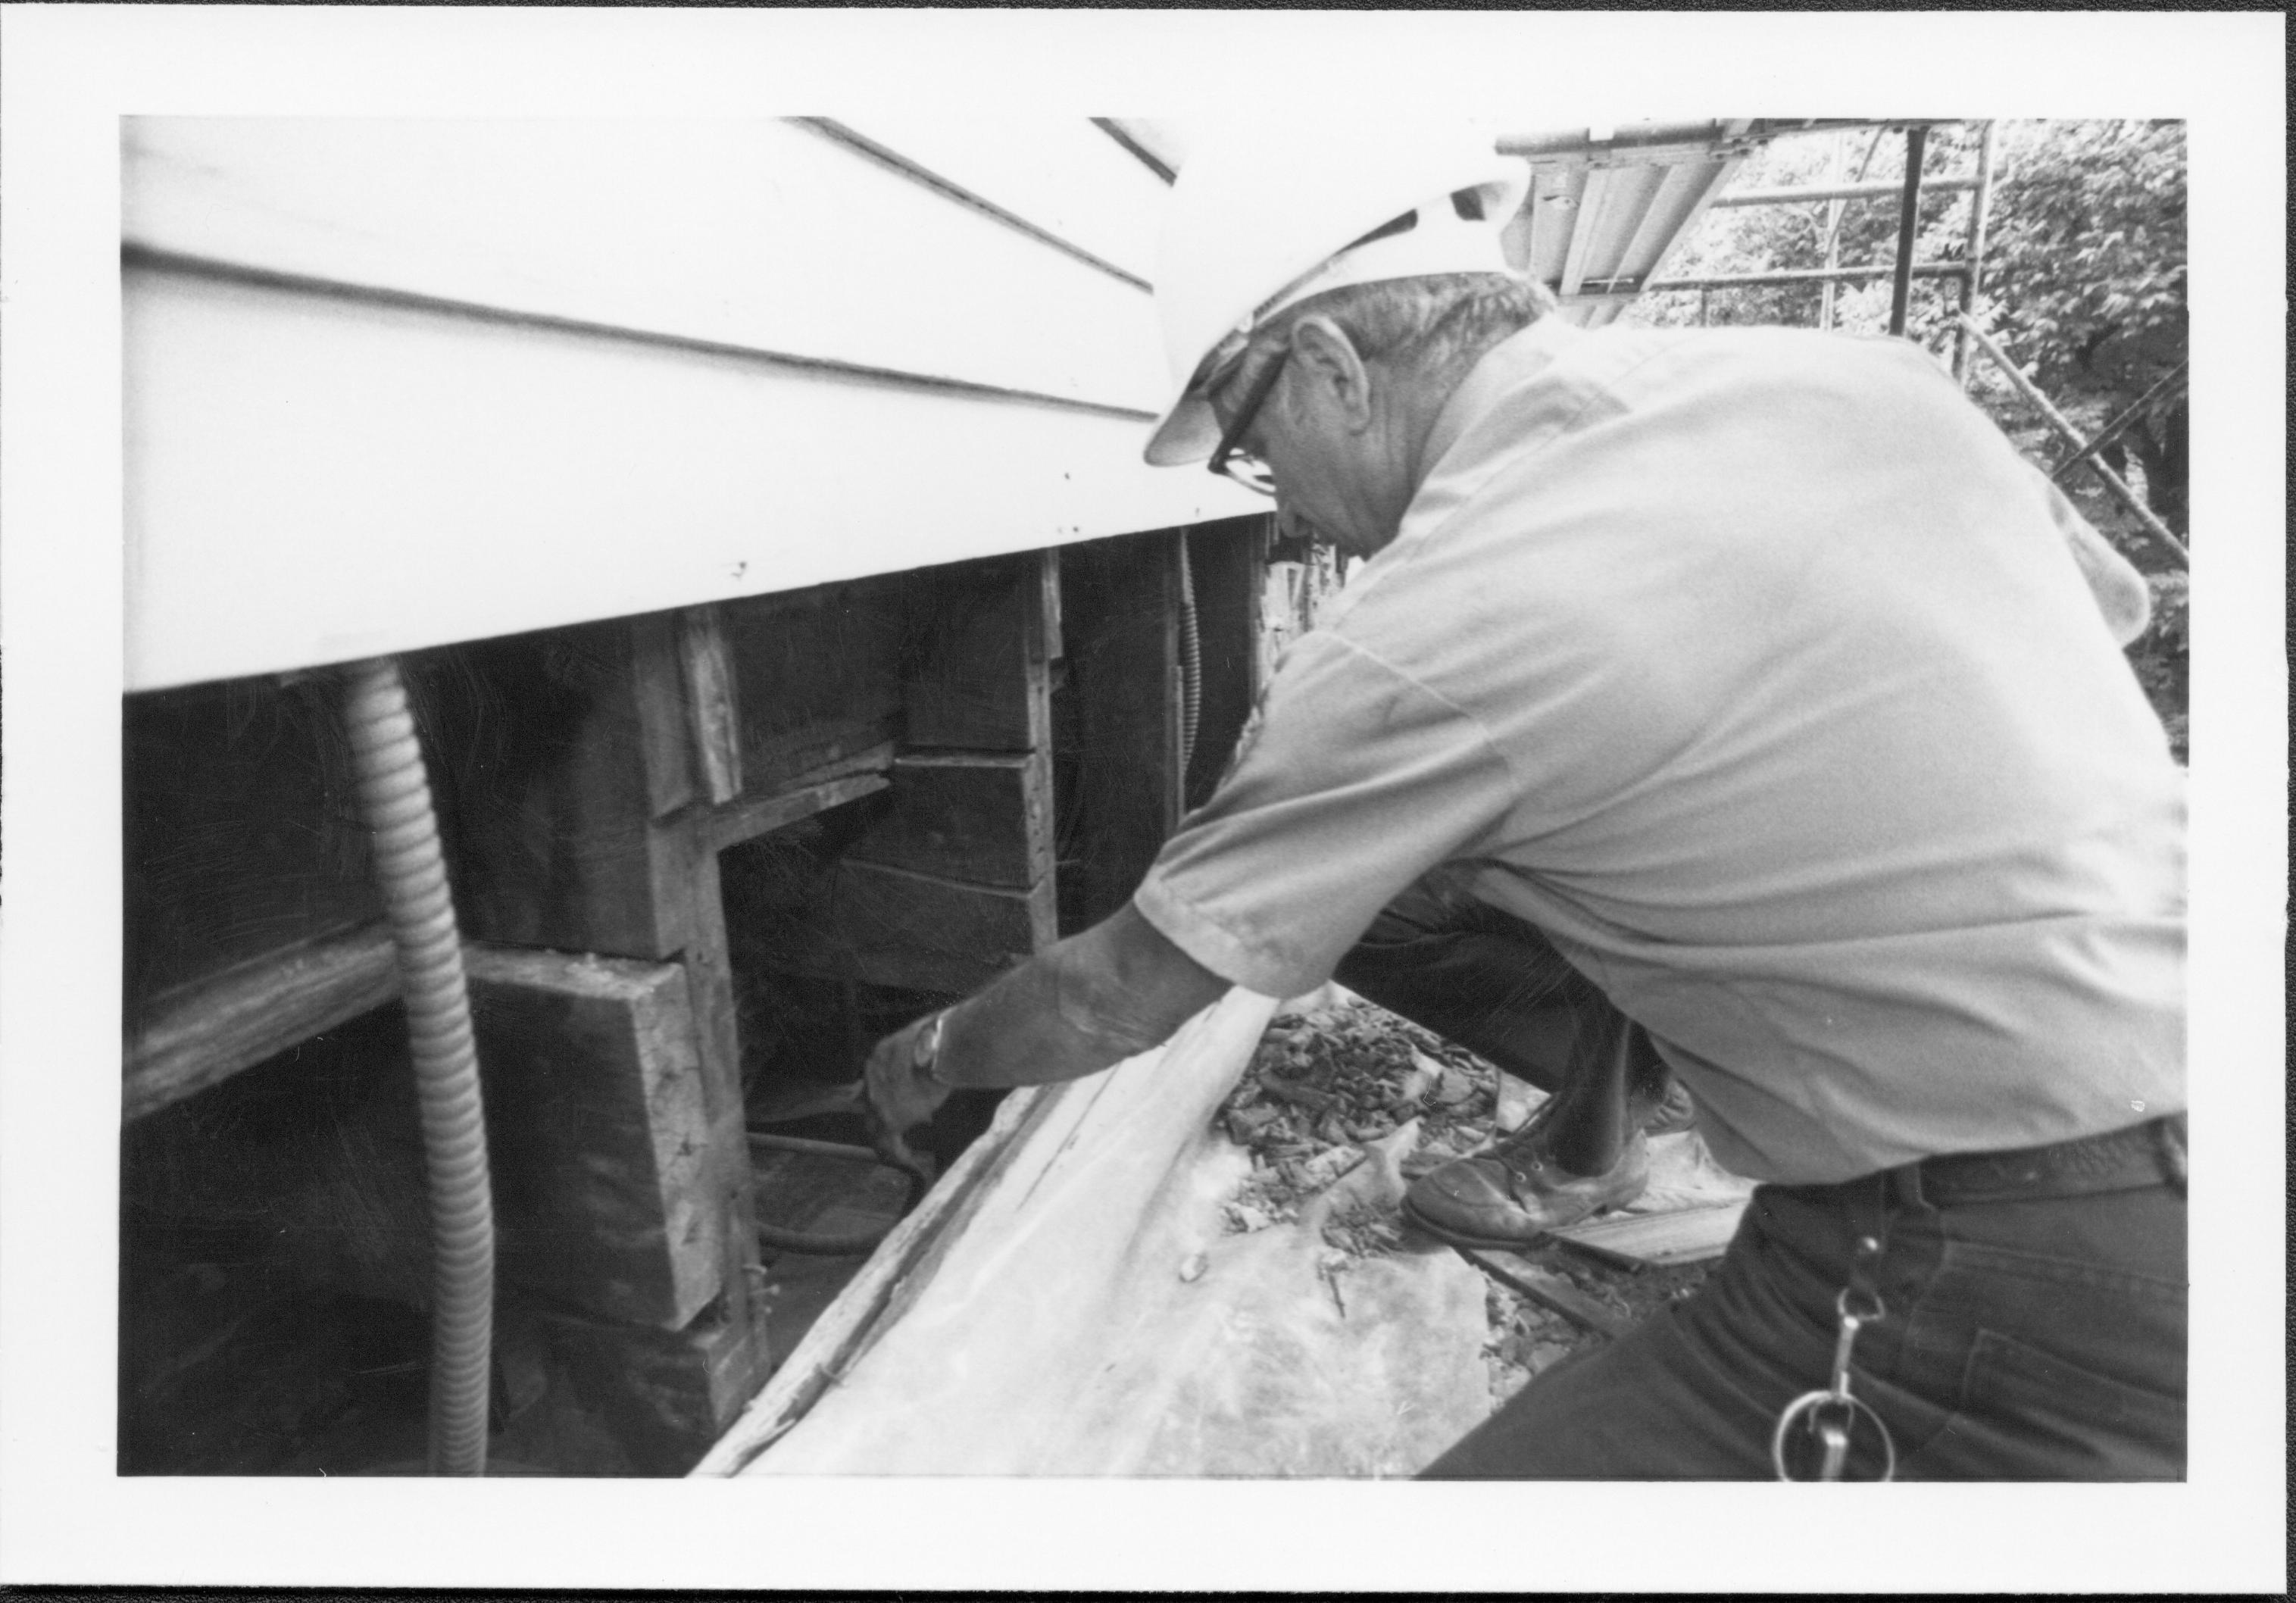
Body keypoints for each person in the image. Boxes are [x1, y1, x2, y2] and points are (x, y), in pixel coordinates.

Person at [862, 120, 2186, 1480]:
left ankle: (1605, 1144)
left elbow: (1113, 995)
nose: (1293, 513)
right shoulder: (1867, 380)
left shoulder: (1420, 630)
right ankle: (1599, 1133)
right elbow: (2113, 616)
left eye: (1260, 454)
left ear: (1331, 370)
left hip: (2002, 1243)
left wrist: (934, 1053)